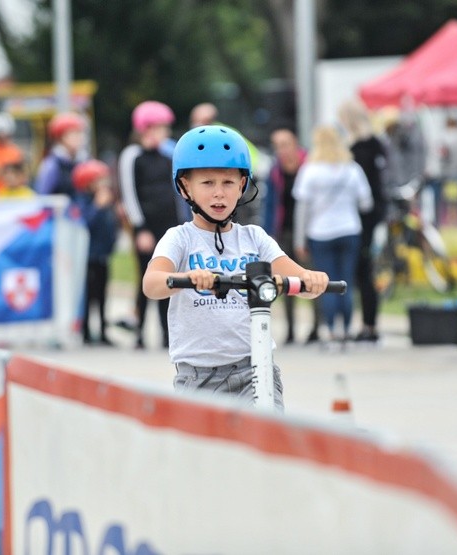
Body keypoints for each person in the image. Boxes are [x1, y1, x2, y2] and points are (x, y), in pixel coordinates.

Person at [142, 125, 330, 411]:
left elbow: (297, 278)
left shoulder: (254, 238)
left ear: (242, 185)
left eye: (228, 183)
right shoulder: (180, 238)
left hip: (256, 371)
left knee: (268, 442)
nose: (219, 194)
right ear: (185, 187)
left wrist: (312, 279)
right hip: (198, 377)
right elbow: (152, 284)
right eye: (207, 183)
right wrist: (188, 278)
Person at [293, 126, 373, 343]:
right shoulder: (352, 169)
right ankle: (346, 329)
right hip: (349, 230)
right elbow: (366, 203)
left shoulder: (310, 170)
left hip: (320, 233)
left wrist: (299, 240)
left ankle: (330, 330)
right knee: (345, 281)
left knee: (324, 283)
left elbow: (302, 208)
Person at [118, 100, 183, 349]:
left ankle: (168, 334)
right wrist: (140, 227)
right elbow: (129, 194)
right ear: (146, 128)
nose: (165, 133)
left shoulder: (166, 158)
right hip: (146, 227)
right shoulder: (132, 155)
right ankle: (140, 333)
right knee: (145, 278)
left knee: (168, 279)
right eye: (161, 127)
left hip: (168, 225)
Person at [265, 122, 321, 344]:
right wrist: (269, 234)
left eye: (285, 144)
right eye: (277, 145)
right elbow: (269, 204)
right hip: (284, 230)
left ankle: (317, 326)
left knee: (310, 278)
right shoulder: (275, 171)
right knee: (284, 281)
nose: (282, 150)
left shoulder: (310, 166)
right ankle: (289, 329)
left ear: (295, 144)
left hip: (308, 232)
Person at [338, 99, 389, 342]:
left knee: (362, 271)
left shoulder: (358, 150)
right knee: (364, 271)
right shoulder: (377, 145)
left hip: (361, 218)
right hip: (373, 214)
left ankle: (368, 324)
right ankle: (369, 323)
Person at [72, 160, 119, 346]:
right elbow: (84, 224)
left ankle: (102, 330)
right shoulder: (82, 201)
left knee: (102, 295)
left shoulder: (107, 201)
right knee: (88, 295)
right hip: (88, 256)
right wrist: (97, 206)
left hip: (103, 255)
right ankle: (85, 331)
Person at [34, 112, 87, 199]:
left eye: (80, 133)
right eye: (75, 133)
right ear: (61, 137)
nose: (80, 138)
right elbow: (42, 196)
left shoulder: (83, 161)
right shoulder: (51, 165)